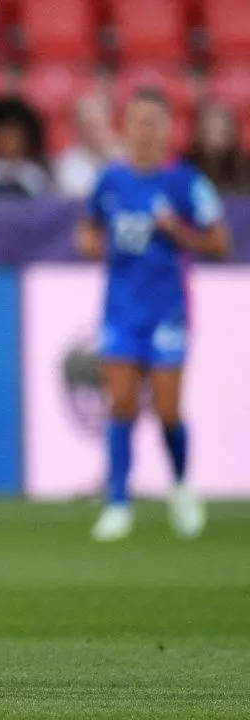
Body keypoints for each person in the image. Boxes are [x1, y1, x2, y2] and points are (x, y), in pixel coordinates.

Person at [76, 88, 231, 542]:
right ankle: (118, 503)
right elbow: (87, 231)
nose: (147, 130)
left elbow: (220, 244)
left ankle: (181, 486)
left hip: (168, 310)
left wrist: (177, 232)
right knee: (120, 403)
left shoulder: (185, 183)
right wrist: (93, 245)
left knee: (167, 410)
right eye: (140, 121)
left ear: (168, 129)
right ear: (126, 127)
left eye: (156, 122)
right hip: (121, 309)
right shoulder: (110, 180)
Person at [54, 93, 123, 199]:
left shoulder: (127, 154)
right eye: (87, 126)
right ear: (77, 129)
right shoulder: (68, 163)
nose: (94, 132)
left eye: (98, 124)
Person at [187, 100, 249, 191]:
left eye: (221, 131)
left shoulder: (245, 169)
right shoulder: (185, 167)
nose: (214, 137)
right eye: (209, 130)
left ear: (232, 132)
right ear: (198, 132)